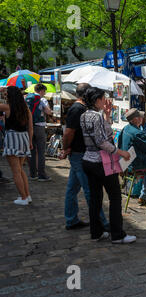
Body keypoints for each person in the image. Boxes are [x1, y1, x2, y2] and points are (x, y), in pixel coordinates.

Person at [80, 87, 136, 244]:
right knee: (115, 196)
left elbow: (104, 133)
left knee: (95, 198)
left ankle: (96, 232)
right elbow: (102, 141)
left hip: (88, 160)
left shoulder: (84, 116)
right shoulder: (96, 117)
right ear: (97, 100)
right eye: (103, 98)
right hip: (101, 162)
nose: (105, 101)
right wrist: (120, 152)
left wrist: (107, 115)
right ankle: (117, 234)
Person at [60, 83, 110, 231]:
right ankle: (101, 222)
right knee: (90, 190)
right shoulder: (77, 109)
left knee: (73, 188)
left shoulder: (83, 109)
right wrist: (65, 148)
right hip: (79, 153)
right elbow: (69, 132)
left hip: (79, 152)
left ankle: (71, 219)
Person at [0, 86, 33, 205]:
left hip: (13, 138)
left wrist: (0, 90)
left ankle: (23, 197)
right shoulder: (25, 108)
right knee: (20, 170)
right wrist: (29, 142)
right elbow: (30, 127)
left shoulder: (7, 107)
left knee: (15, 171)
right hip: (24, 138)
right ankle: (27, 195)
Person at [26, 83, 52, 181]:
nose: (44, 93)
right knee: (41, 151)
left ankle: (33, 174)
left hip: (29, 127)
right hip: (39, 127)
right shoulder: (42, 100)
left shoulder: (27, 98)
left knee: (32, 150)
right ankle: (42, 174)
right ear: (41, 91)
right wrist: (51, 112)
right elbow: (48, 111)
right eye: (44, 91)